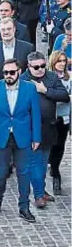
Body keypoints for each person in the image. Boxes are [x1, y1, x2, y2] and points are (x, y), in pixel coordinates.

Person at [0, 58, 41, 223]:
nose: (8, 75)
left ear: (19, 71)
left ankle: (24, 206)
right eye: (6, 72)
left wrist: (36, 137)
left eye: (12, 72)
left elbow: (35, 114)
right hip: (0, 137)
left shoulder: (29, 88)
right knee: (0, 172)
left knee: (24, 172)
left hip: (23, 136)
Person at [20, 51, 69, 208]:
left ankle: (41, 189)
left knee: (43, 162)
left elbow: (64, 95)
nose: (40, 69)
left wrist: (45, 90)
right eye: (36, 67)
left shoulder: (51, 77)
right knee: (35, 162)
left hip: (49, 126)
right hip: (31, 128)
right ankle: (38, 195)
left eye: (43, 66)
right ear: (29, 66)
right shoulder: (23, 80)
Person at [48, 51, 71, 195]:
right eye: (59, 61)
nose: (62, 63)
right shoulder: (49, 77)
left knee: (60, 146)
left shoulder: (69, 78)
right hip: (51, 117)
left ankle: (56, 172)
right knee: (51, 145)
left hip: (64, 117)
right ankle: (52, 167)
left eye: (63, 61)